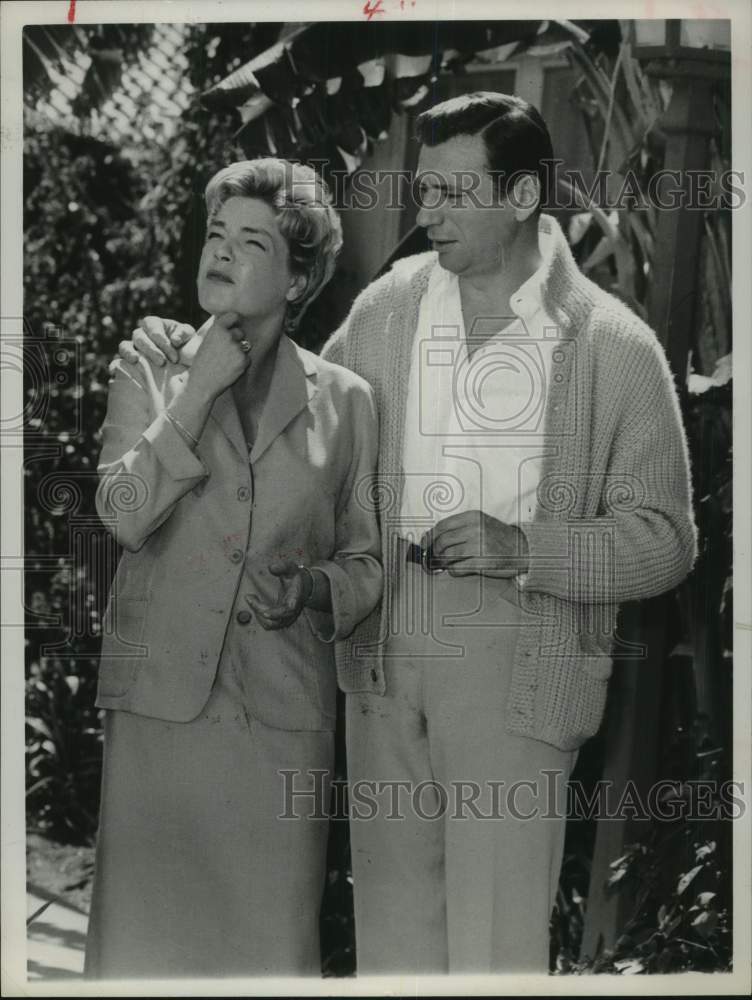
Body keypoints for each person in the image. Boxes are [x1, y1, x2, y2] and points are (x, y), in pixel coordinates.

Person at [122, 93, 697, 975]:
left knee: (496, 941)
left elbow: (666, 538)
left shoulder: (612, 345)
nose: (425, 213)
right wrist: (186, 344)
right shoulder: (389, 307)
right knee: (393, 940)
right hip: (384, 635)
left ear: (522, 196)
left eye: (452, 192)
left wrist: (526, 548)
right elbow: (299, 406)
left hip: (522, 641)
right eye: (422, 188)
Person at [85, 158, 382, 979]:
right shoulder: (148, 367)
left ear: (297, 280)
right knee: (142, 957)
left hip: (280, 725)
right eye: (217, 233)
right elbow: (121, 514)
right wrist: (193, 396)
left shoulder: (349, 402)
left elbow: (367, 563)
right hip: (160, 716)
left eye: (252, 242)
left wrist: (315, 588)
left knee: (265, 958)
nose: (221, 251)